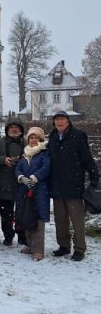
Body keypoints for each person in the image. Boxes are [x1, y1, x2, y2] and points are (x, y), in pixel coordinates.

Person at [48, 111, 100, 261]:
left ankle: (79, 249)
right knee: (60, 219)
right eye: (57, 119)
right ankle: (64, 246)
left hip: (74, 185)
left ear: (68, 121)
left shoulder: (78, 135)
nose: (59, 122)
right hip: (57, 185)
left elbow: (87, 158)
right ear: (54, 122)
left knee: (77, 220)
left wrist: (94, 177)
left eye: (62, 119)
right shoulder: (52, 137)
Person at [15, 127, 51, 261]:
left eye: (36, 137)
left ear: (40, 139)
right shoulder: (25, 153)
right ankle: (30, 246)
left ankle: (38, 250)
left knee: (38, 220)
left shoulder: (44, 152)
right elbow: (18, 168)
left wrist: (34, 177)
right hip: (25, 190)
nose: (33, 140)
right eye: (31, 137)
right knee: (27, 217)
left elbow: (46, 168)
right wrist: (21, 177)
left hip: (40, 190)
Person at [0, 118, 26, 246]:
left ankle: (22, 236)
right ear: (7, 130)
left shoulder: (26, 142)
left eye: (17, 127)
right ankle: (8, 236)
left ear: (21, 130)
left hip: (22, 183)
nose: (14, 129)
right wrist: (3, 159)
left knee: (22, 212)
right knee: (6, 213)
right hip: (4, 182)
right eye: (11, 127)